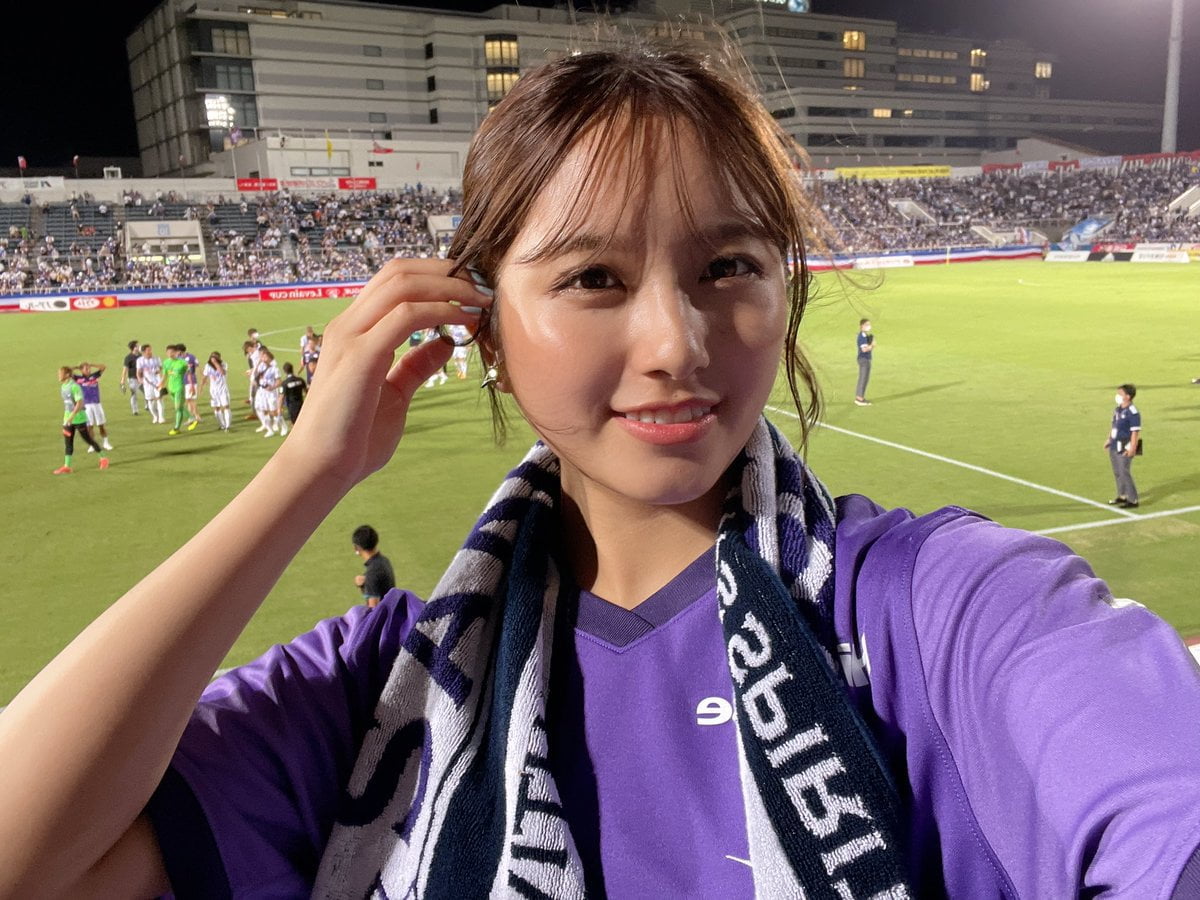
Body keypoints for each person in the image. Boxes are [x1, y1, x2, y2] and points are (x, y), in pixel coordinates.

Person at [3, 44, 1199, 900]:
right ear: (483, 326)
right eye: (593, 278)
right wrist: (307, 471)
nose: (676, 342)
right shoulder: (380, 693)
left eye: (729, 265)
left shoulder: (939, 614)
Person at [55, 366, 108, 474]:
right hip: (67, 420)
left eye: (60, 373)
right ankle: (67, 466)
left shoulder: (74, 387)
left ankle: (103, 458)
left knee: (88, 439)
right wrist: (66, 419)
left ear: (67, 375)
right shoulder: (63, 386)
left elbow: (80, 403)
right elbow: (68, 405)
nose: (58, 376)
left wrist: (71, 416)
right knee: (68, 443)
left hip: (79, 419)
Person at [1104, 383, 1141, 509]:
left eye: (1120, 394)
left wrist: (1132, 448)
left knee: (1124, 471)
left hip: (1126, 444)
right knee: (1117, 472)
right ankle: (1122, 495)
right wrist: (1109, 439)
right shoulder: (1118, 409)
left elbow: (1135, 432)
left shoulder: (1133, 412)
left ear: (1128, 396)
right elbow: (1114, 425)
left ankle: (1133, 499)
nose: (1117, 396)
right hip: (1115, 443)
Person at [71, 361, 114, 451]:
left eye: (89, 368)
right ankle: (92, 445)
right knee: (89, 426)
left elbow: (103, 367)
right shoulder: (78, 378)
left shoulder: (95, 376)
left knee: (101, 425)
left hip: (97, 404)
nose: (89, 370)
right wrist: (77, 367)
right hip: (86, 406)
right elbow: (68, 372)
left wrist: (92, 364)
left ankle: (106, 443)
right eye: (86, 369)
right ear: (81, 370)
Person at [351, 524, 396, 609]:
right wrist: (365, 584)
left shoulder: (372, 573)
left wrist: (368, 581)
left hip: (385, 616)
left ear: (356, 548)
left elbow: (374, 611)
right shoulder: (384, 560)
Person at [253, 348, 282, 437]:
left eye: (265, 357)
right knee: (264, 410)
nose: (263, 358)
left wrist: (272, 387)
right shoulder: (261, 366)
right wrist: (259, 362)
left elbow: (279, 381)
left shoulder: (274, 369)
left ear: (270, 358)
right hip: (262, 391)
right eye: (263, 357)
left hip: (271, 392)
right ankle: (270, 430)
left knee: (273, 411)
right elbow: (255, 374)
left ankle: (280, 424)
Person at [161, 345, 189, 436]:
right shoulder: (166, 362)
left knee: (177, 408)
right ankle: (192, 417)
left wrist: (191, 385)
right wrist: (161, 384)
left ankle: (177, 428)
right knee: (179, 407)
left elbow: (190, 373)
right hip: (171, 388)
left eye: (172, 352)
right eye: (168, 352)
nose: (170, 354)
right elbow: (164, 375)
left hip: (179, 388)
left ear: (177, 352)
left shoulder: (182, 363)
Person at [203, 351, 232, 432]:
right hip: (213, 391)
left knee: (226, 406)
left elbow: (222, 372)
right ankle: (222, 425)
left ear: (219, 358)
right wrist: (201, 386)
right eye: (212, 357)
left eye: (215, 357)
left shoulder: (223, 364)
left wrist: (216, 363)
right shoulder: (207, 366)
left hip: (223, 389)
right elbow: (205, 375)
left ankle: (227, 426)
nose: (213, 359)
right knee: (216, 408)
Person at [135, 344, 164, 424]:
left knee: (159, 399)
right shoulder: (140, 360)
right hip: (147, 383)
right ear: (143, 352)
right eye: (148, 350)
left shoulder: (157, 358)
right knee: (150, 401)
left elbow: (161, 367)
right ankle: (155, 416)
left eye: (151, 350)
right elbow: (138, 372)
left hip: (157, 382)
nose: (150, 351)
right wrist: (139, 379)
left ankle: (161, 417)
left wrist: (158, 371)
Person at [178, 343, 202, 430]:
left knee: (191, 399)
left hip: (191, 381)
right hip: (183, 381)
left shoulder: (191, 357)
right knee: (188, 400)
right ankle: (191, 417)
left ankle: (197, 416)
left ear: (180, 351)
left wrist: (202, 377)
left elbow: (198, 366)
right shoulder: (179, 358)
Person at [281, 362, 307, 430]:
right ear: (292, 369)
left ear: (284, 371)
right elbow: (306, 392)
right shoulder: (300, 380)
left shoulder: (285, 383)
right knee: (303, 421)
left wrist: (279, 407)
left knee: (295, 424)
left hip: (292, 406)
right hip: (301, 404)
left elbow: (282, 397)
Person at [854, 317, 874, 407]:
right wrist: (872, 345)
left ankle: (860, 397)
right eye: (867, 325)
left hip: (866, 359)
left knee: (865, 378)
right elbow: (864, 349)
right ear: (862, 326)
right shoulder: (862, 336)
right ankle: (859, 398)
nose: (869, 326)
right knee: (863, 378)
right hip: (863, 359)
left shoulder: (864, 336)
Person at [121, 340, 143, 415]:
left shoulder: (141, 355)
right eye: (137, 346)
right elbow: (125, 370)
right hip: (133, 379)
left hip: (142, 378)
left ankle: (148, 405)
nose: (139, 346)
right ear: (134, 348)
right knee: (134, 394)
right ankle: (135, 410)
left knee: (146, 392)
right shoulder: (128, 358)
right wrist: (122, 381)